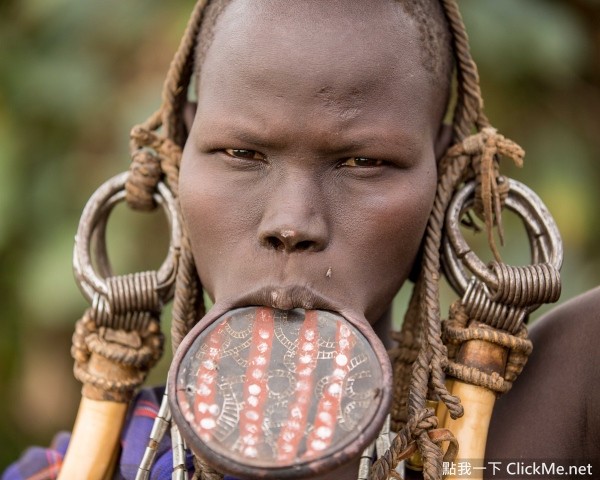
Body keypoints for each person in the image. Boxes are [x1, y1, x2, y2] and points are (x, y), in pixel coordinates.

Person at [3, 0, 599, 479]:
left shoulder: (539, 432)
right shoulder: (87, 464)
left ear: (446, 177)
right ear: (180, 155)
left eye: (363, 162)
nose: (292, 222)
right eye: (241, 154)